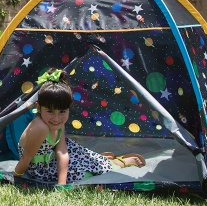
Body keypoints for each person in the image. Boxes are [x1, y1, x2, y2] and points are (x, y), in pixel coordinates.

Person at [14, 68, 145, 185]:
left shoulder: (58, 123)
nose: (56, 118)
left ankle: (111, 162)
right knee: (83, 174)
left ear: (68, 109)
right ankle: (114, 163)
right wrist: (16, 178)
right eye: (50, 111)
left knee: (90, 160)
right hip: (40, 167)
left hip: (53, 155)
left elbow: (62, 152)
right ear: (38, 107)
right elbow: (27, 157)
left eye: (62, 112)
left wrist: (61, 184)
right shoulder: (40, 127)